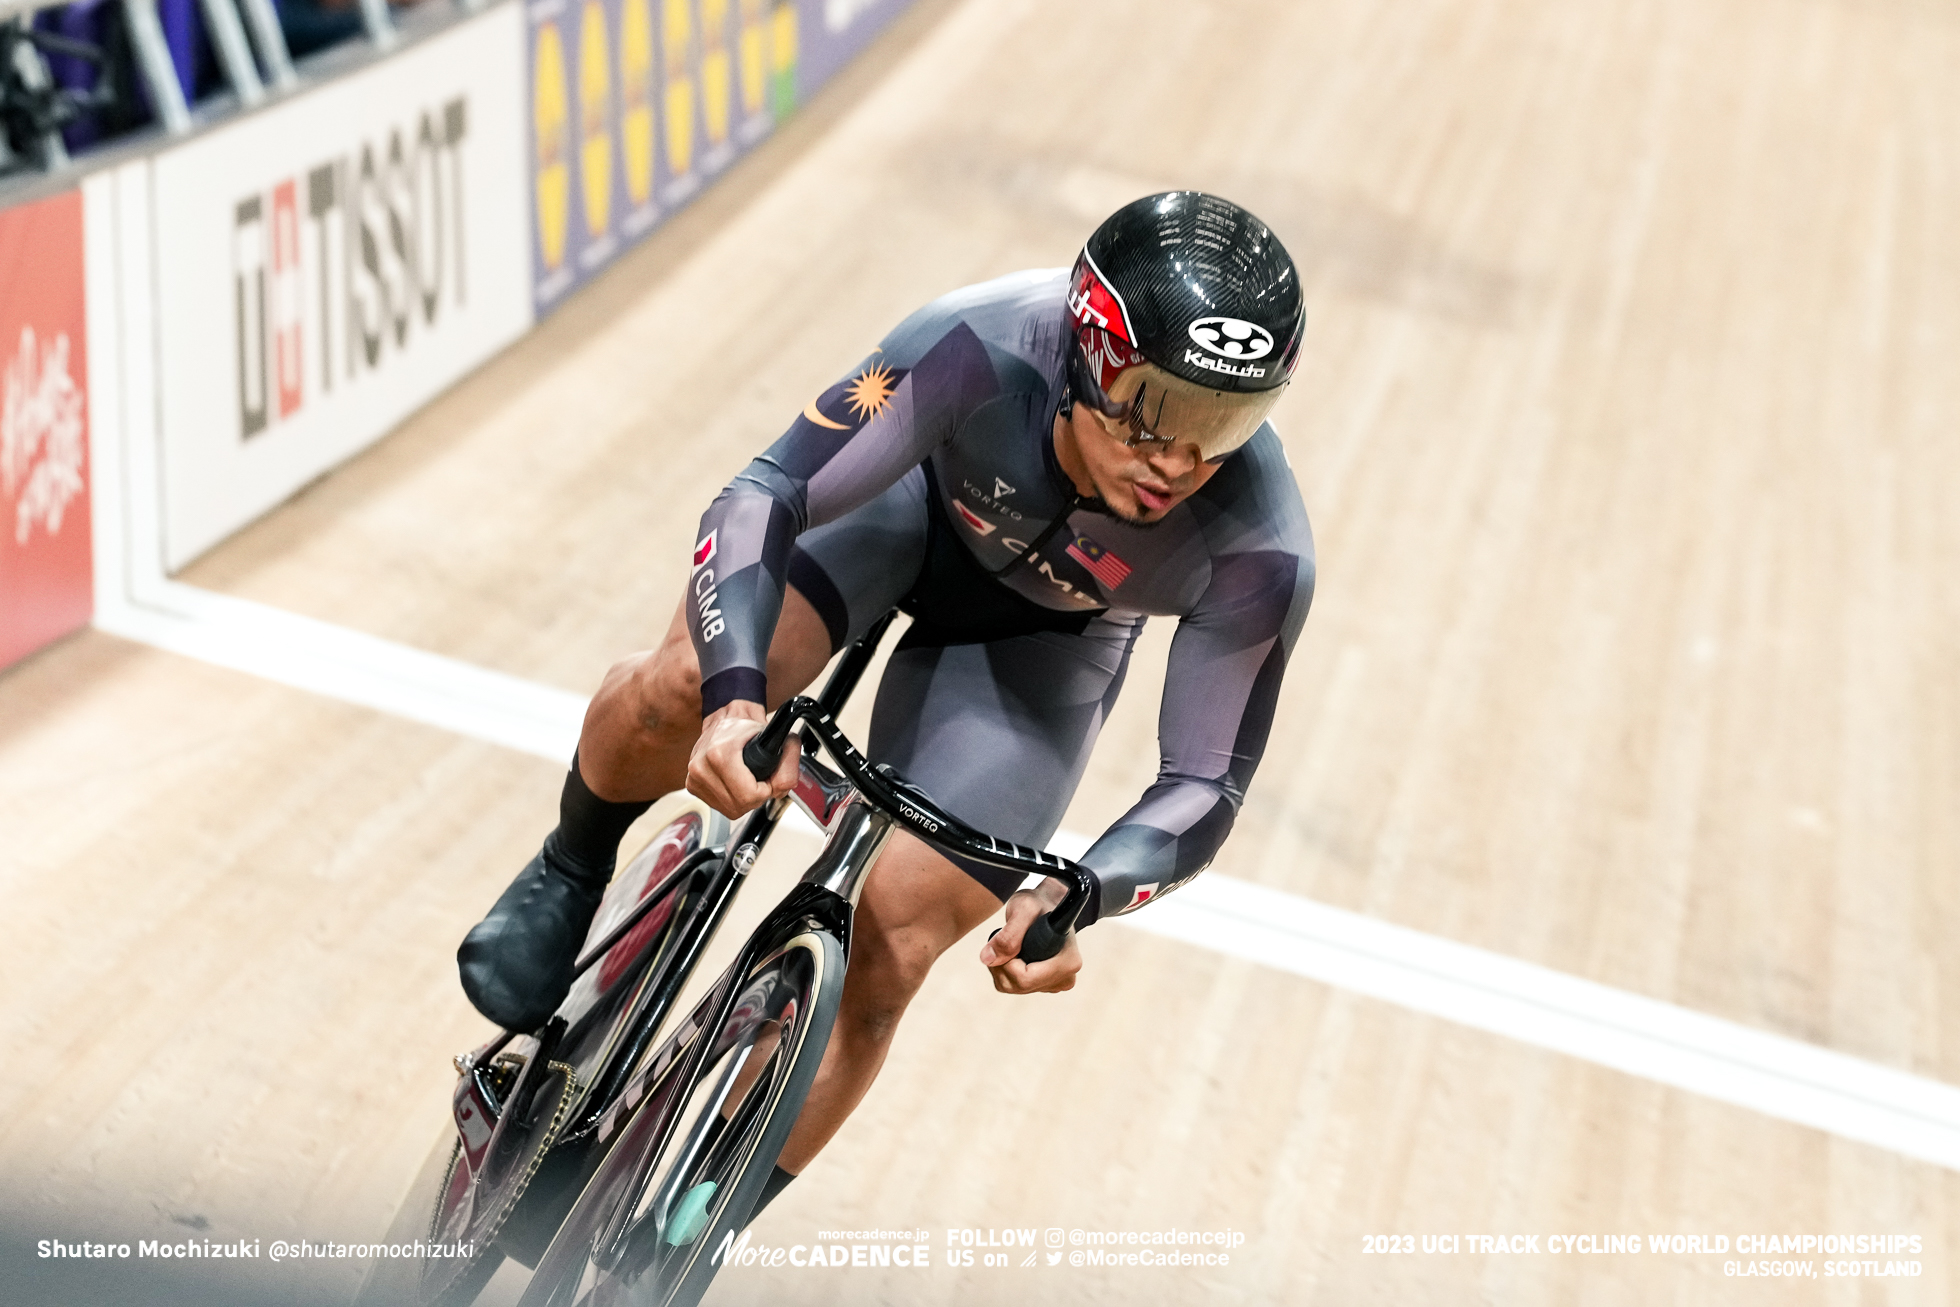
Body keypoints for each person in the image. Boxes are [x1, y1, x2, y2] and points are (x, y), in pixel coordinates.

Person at [457, 190, 1315, 1215]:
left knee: (898, 943)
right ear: (1087, 353)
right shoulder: (976, 344)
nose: (1182, 460)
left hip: (1049, 633)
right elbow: (763, 494)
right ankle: (573, 860)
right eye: (1159, 409)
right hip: (897, 512)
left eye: (1224, 420)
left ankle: (688, 1235)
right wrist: (734, 703)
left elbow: (1204, 783)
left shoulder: (1261, 545)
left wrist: (1079, 893)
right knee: (683, 687)